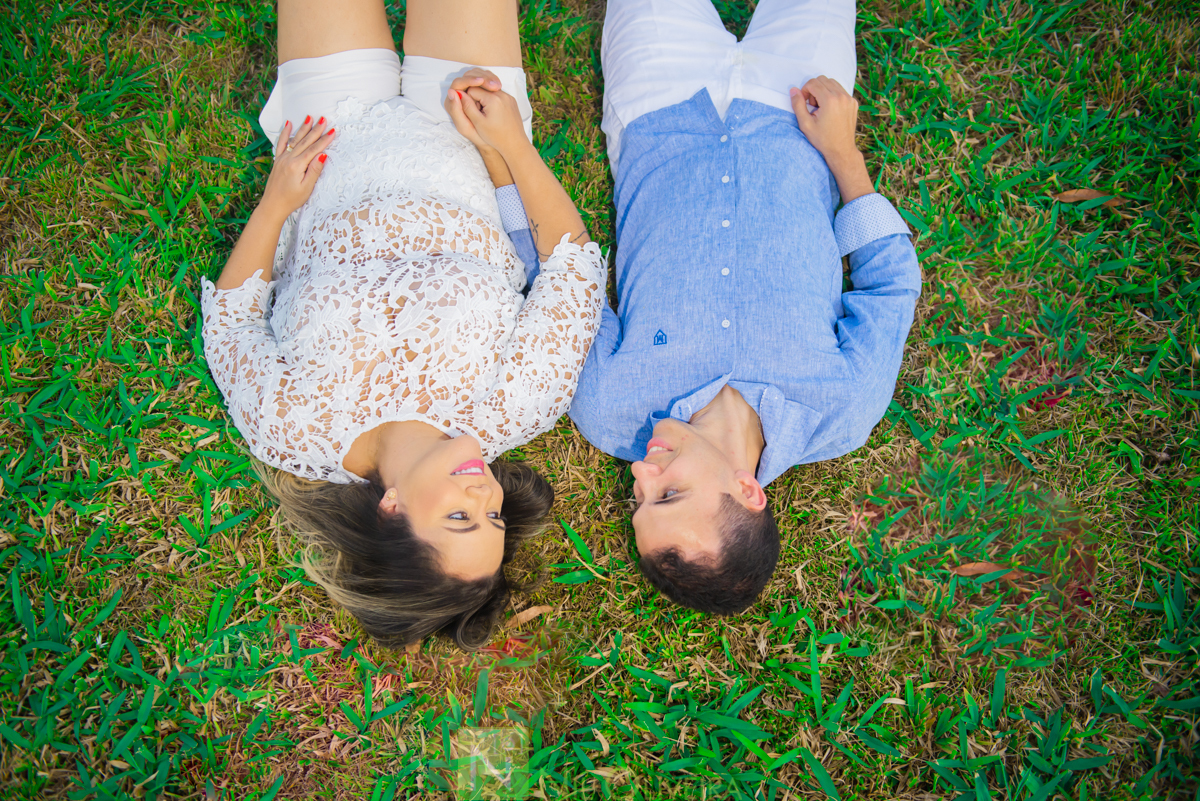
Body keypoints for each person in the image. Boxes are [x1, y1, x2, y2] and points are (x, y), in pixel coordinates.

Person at [200, 0, 607, 650]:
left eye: (459, 516)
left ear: (391, 509)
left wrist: (277, 202)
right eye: (494, 515)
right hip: (463, 130)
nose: (484, 494)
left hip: (330, 132)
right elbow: (574, 269)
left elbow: (230, 322)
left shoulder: (291, 427)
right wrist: (511, 143)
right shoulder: (517, 405)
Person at [569, 0, 921, 615]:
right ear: (747, 492)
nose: (640, 478)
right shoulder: (840, 410)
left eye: (639, 502)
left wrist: (502, 162)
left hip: (657, 100)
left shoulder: (609, 410)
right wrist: (844, 153)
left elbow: (560, 281)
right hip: (801, 112)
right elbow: (889, 285)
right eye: (670, 494)